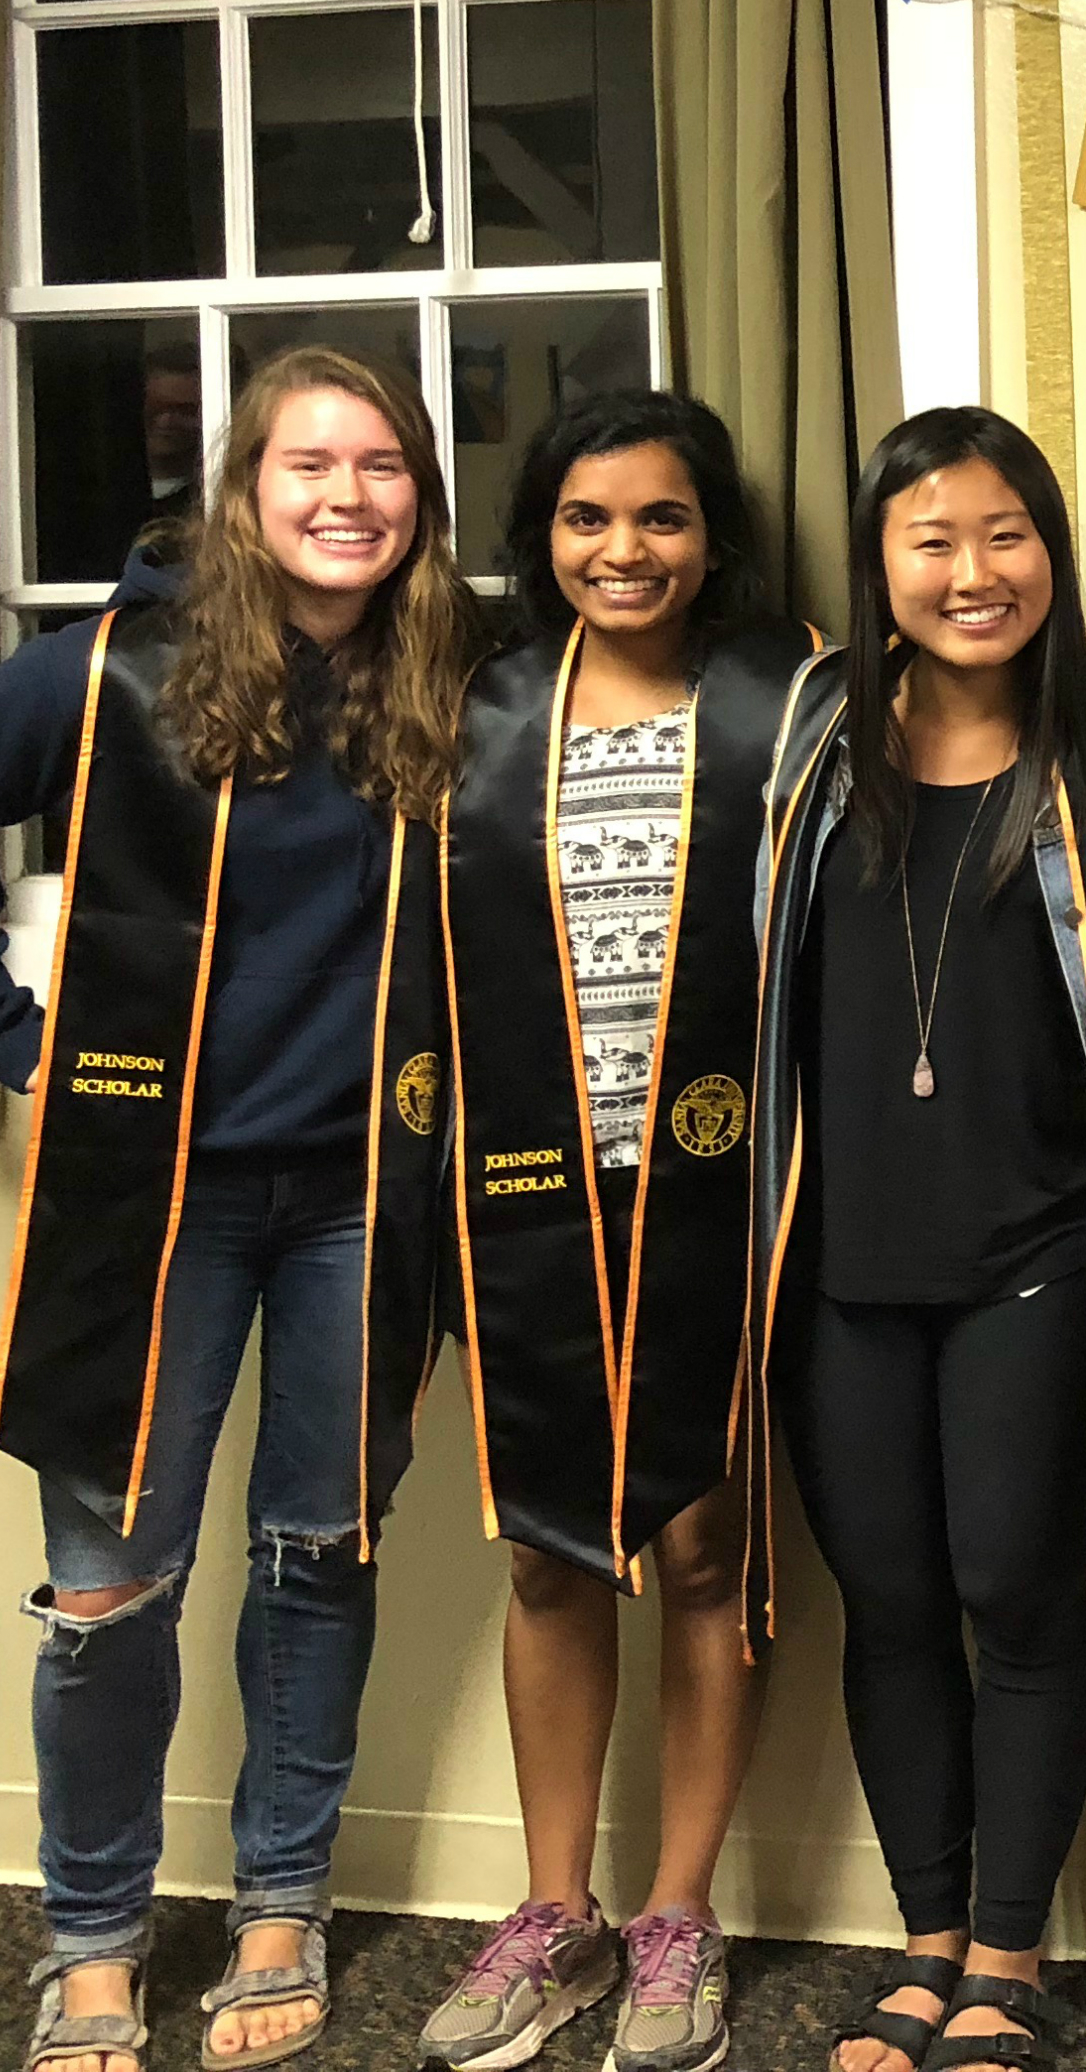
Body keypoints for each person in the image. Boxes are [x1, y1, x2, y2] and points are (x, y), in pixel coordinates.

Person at [0, 346, 473, 2072]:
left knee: (318, 1554)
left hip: (363, 1196)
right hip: (153, 1201)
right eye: (309, 465)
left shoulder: (459, 680)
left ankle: (284, 1901)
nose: (349, 497)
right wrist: (17, 1034)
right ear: (246, 489)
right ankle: (98, 1939)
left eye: (385, 467)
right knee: (111, 1583)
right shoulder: (100, 675)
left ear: (422, 496)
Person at [749, 408, 1086, 2072]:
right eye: (931, 541)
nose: (971, 572)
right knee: (892, 1598)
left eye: (1005, 535)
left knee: (1016, 1586)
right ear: (878, 568)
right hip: (843, 1256)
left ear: (1050, 553)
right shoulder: (808, 734)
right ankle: (924, 1941)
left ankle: (1007, 1957)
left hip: (1044, 1248)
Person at [418, 394, 817, 2072]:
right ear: (544, 539)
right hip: (531, 1184)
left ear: (710, 537)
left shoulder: (788, 705)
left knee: (708, 1547)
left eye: (659, 519)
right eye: (587, 519)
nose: (623, 550)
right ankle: (556, 1909)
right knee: (548, 1546)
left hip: (715, 1190)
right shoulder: (481, 714)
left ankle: (676, 1916)